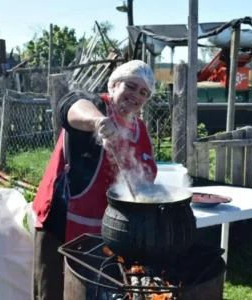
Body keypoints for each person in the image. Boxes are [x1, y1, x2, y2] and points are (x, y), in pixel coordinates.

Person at [31, 60, 158, 300]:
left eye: (143, 92)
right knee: (53, 292)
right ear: (113, 86)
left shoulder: (139, 129)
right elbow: (69, 105)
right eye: (130, 86)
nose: (136, 95)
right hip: (62, 224)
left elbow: (145, 176)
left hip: (108, 230)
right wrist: (97, 122)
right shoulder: (95, 106)